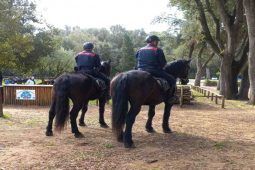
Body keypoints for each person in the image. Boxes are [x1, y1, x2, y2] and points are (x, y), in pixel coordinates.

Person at [135, 35, 177, 103]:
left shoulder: (140, 50)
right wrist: (162, 67)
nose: (157, 43)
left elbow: (137, 59)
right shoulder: (158, 50)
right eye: (157, 41)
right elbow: (163, 63)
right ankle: (170, 97)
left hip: (140, 70)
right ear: (154, 41)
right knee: (172, 79)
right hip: (154, 70)